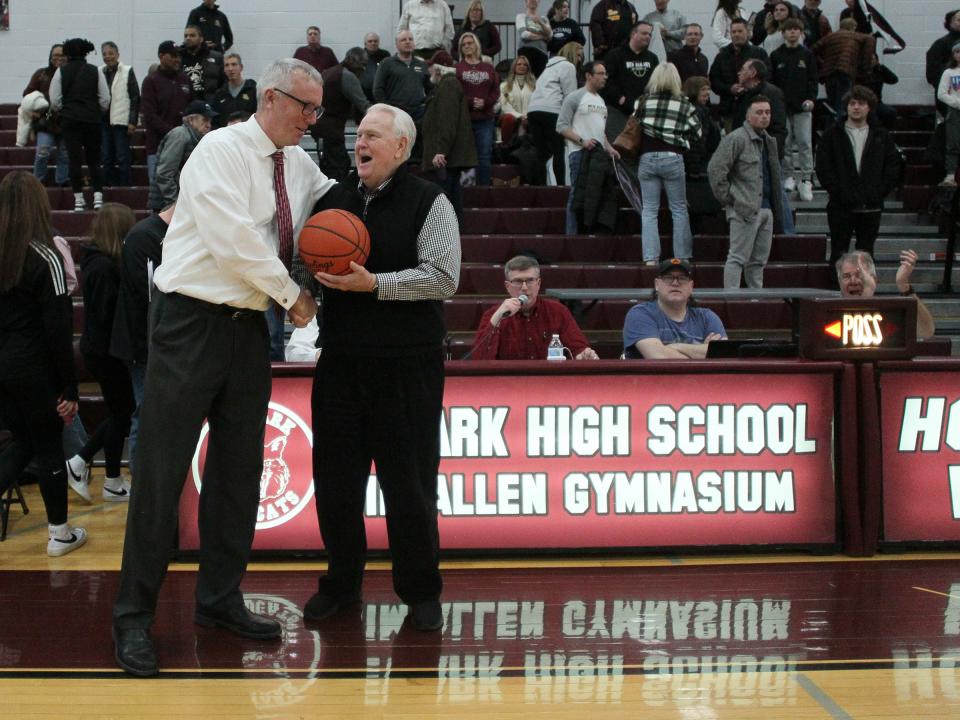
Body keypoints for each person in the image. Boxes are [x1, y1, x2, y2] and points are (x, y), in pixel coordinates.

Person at [111, 58, 333, 678]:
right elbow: (236, 240)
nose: (313, 120)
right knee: (159, 474)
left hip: (246, 332)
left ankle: (218, 599)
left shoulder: (296, 160)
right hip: (189, 323)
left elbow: (329, 200)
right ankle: (132, 618)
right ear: (270, 98)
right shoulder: (219, 148)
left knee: (238, 475)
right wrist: (295, 295)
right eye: (304, 108)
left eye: (319, 111)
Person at [304, 104, 461, 634]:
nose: (360, 143)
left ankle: (420, 592)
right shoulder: (333, 200)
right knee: (336, 484)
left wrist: (376, 284)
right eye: (358, 134)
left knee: (410, 487)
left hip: (408, 366)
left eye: (372, 135)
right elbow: (308, 263)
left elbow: (444, 278)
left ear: (401, 147)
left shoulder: (430, 200)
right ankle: (341, 584)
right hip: (342, 362)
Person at [0, 171, 86, 556]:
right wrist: (69, 387)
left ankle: (60, 531)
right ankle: (59, 533)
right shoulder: (44, 255)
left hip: (3, 369)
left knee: (22, 441)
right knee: (48, 446)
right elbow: (58, 327)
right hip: (34, 369)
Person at [65, 203, 137, 504]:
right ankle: (80, 462)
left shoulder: (96, 260)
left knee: (119, 412)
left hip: (100, 349)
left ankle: (111, 480)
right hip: (107, 350)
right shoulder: (106, 267)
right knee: (123, 412)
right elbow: (110, 315)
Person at [109, 204, 174, 475]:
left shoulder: (180, 234)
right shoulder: (143, 237)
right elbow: (152, 299)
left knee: (164, 415)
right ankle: (142, 493)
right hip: (143, 344)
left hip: (169, 343)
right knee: (146, 413)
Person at [815, 85, 901, 269]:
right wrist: (838, 192)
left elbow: (893, 167)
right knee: (839, 252)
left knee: (867, 253)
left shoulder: (882, 135)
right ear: (846, 107)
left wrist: (878, 192)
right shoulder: (832, 135)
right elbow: (823, 167)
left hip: (871, 205)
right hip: (840, 205)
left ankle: (865, 294)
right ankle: (836, 294)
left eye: (861, 103)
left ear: (869, 107)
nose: (856, 107)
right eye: (852, 103)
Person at [708, 95, 784, 288]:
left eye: (767, 112)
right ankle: (731, 301)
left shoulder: (769, 140)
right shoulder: (736, 138)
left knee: (758, 262)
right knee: (737, 258)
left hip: (767, 208)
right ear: (748, 116)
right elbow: (716, 169)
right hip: (744, 207)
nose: (764, 116)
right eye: (759, 112)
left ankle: (755, 301)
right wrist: (730, 199)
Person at [631, 63, 701, 264]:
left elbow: (634, 125)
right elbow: (698, 133)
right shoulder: (685, 104)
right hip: (673, 157)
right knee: (678, 209)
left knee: (649, 210)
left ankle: (651, 257)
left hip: (647, 157)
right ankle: (682, 256)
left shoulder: (642, 102)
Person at [470, 255, 598, 359]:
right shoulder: (493, 315)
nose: (524, 287)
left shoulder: (558, 311)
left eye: (530, 280)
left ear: (538, 283)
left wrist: (584, 354)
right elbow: (480, 359)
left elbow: (578, 348)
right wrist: (497, 318)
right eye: (518, 281)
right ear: (507, 286)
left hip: (550, 382)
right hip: (509, 383)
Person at [556, 60, 620, 235]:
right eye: (600, 73)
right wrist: (582, 140)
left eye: (605, 73)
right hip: (580, 153)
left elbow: (601, 131)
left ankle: (586, 231)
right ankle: (571, 234)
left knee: (595, 195)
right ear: (588, 76)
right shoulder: (575, 97)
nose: (604, 77)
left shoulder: (600, 100)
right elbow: (561, 126)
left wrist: (609, 148)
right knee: (577, 193)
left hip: (598, 154)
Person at [50, 38, 110, 212]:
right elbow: (105, 99)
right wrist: (96, 111)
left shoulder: (61, 72)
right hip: (92, 120)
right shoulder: (95, 71)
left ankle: (78, 199)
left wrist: (66, 110)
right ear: (86, 53)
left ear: (68, 53)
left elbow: (55, 100)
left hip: (70, 120)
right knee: (94, 159)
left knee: (74, 160)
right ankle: (98, 197)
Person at [623, 258, 727, 359]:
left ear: (691, 287)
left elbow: (723, 353)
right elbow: (659, 357)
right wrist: (702, 352)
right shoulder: (640, 314)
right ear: (657, 284)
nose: (675, 283)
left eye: (682, 278)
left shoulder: (707, 318)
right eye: (668, 277)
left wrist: (676, 346)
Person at [422, 52, 477, 223]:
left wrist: (441, 151)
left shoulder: (448, 85)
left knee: (446, 198)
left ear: (438, 69)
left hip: (445, 158)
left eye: (431, 67)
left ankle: (450, 234)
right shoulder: (447, 85)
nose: (429, 71)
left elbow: (447, 121)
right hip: (448, 156)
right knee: (450, 197)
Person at [836, 250, 936, 339]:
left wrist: (904, 285)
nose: (853, 281)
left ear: (874, 280)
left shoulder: (890, 313)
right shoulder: (827, 312)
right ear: (839, 282)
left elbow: (926, 332)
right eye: (846, 276)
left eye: (860, 275)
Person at [771, 19, 818, 201]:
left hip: (802, 106)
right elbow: (772, 81)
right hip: (782, 107)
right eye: (789, 30)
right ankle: (789, 175)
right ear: (783, 33)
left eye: (796, 29)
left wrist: (811, 98)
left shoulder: (807, 55)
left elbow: (813, 79)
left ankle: (806, 179)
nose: (792, 33)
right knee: (786, 142)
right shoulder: (776, 55)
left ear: (800, 32)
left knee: (805, 143)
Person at [527, 41, 581, 185]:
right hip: (552, 110)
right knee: (558, 150)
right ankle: (560, 187)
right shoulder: (568, 67)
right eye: (579, 55)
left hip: (533, 109)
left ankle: (540, 188)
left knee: (541, 153)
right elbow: (571, 96)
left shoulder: (547, 68)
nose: (581, 59)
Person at [148, 101, 217, 212]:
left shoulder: (196, 138)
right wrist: (175, 204)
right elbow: (164, 173)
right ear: (191, 120)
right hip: (166, 207)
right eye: (205, 120)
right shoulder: (180, 134)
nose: (209, 125)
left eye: (210, 121)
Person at [314, 48, 370, 183]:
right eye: (363, 64)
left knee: (331, 166)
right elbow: (363, 104)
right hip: (331, 129)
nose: (363, 69)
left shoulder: (330, 72)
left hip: (319, 126)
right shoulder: (347, 76)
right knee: (339, 168)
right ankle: (337, 200)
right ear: (356, 62)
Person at [141, 41, 193, 185]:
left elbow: (191, 108)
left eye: (179, 56)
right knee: (158, 190)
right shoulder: (150, 81)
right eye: (173, 56)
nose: (178, 59)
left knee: (184, 187)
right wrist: (174, 133)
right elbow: (150, 116)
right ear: (161, 56)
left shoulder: (185, 79)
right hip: (158, 146)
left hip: (183, 146)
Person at [600, 21, 659, 140]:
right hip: (619, 112)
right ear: (633, 34)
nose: (648, 37)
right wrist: (619, 98)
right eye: (644, 33)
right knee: (621, 147)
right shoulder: (615, 55)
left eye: (649, 34)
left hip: (645, 112)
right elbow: (606, 81)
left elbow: (657, 83)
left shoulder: (652, 58)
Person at [709, 18, 768, 130]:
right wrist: (729, 89)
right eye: (733, 32)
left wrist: (750, 89)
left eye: (740, 31)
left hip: (754, 107)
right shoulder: (722, 55)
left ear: (747, 32)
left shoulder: (759, 53)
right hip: (730, 109)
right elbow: (714, 80)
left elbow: (767, 77)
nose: (736, 34)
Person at [456, 32, 499, 186]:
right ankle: (465, 191)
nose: (467, 46)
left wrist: (486, 102)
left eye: (470, 43)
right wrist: (470, 102)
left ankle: (484, 189)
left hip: (485, 118)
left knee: (484, 156)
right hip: (464, 119)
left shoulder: (488, 67)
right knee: (463, 155)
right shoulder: (457, 68)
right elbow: (455, 92)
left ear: (476, 45)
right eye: (464, 44)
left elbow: (496, 91)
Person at [681, 76, 722, 234]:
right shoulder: (698, 112)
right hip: (698, 166)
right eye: (703, 89)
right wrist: (695, 168)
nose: (707, 92)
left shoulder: (698, 110)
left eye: (708, 89)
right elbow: (698, 143)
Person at [25, 44, 69, 187]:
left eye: (62, 55)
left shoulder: (71, 74)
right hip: (45, 122)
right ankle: (37, 183)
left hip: (65, 121)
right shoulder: (41, 74)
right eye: (55, 55)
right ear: (50, 56)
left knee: (64, 154)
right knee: (42, 153)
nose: (58, 58)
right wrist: (33, 108)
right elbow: (27, 93)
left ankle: (62, 181)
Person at [813, 17, 876, 115]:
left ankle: (830, 128)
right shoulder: (857, 36)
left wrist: (822, 62)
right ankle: (841, 128)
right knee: (842, 105)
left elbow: (813, 49)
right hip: (846, 72)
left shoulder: (830, 36)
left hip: (829, 73)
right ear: (854, 26)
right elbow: (870, 39)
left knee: (832, 105)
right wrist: (866, 69)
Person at [99, 42, 140, 187]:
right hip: (103, 121)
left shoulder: (127, 70)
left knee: (122, 156)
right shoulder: (99, 71)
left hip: (121, 120)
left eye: (111, 53)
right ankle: (108, 186)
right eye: (104, 54)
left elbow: (135, 97)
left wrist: (132, 121)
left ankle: (125, 187)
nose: (107, 56)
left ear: (117, 55)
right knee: (106, 157)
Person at [374, 30, 432, 124]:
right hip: (395, 115)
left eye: (410, 39)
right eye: (403, 40)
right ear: (396, 44)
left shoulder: (421, 64)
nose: (408, 42)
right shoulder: (386, 63)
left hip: (418, 115)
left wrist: (426, 105)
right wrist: (388, 110)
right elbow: (378, 90)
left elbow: (430, 89)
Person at [211, 53, 257, 128]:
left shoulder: (252, 90)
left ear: (241, 67)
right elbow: (215, 121)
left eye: (234, 64)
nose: (230, 69)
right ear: (224, 69)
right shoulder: (220, 94)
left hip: (247, 134)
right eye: (227, 65)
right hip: (227, 136)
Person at [180, 25, 225, 102]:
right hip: (184, 104)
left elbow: (224, 83)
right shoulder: (178, 58)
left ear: (201, 39)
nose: (188, 38)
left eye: (192, 35)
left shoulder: (216, 57)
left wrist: (217, 101)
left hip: (208, 105)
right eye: (186, 36)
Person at [499, 55, 536, 145]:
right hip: (512, 118)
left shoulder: (535, 86)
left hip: (529, 117)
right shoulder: (504, 85)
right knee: (509, 118)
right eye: (519, 64)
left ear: (528, 68)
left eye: (525, 65)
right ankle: (506, 146)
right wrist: (520, 116)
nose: (522, 66)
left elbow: (537, 103)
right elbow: (505, 106)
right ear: (514, 67)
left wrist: (527, 117)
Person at [929, 11, 960, 117]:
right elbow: (932, 74)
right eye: (959, 20)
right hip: (950, 99)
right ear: (950, 23)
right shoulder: (940, 44)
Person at [939, 42, 960, 187]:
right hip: (955, 112)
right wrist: (957, 103)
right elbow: (942, 94)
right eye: (958, 52)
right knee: (953, 143)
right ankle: (950, 175)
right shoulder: (949, 72)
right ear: (954, 55)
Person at [517, 0, 552, 77]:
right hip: (526, 51)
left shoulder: (544, 19)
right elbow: (524, 34)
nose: (533, 1)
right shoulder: (521, 17)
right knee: (527, 77)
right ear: (526, 2)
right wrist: (542, 36)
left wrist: (540, 22)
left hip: (542, 52)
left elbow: (550, 35)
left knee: (540, 78)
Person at [361, 32, 391, 101]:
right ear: (365, 44)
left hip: (382, 93)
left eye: (375, 41)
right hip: (364, 94)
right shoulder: (360, 56)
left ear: (378, 43)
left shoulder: (385, 55)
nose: (373, 43)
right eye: (370, 41)